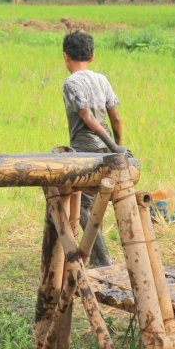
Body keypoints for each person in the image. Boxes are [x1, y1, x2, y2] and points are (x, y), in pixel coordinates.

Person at [61, 29, 123, 267]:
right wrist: (116, 145)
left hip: (84, 148)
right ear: (92, 56)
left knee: (83, 206)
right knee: (94, 202)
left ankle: (101, 259)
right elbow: (115, 118)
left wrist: (113, 147)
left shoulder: (71, 82)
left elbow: (87, 118)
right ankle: (88, 252)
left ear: (66, 57)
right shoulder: (102, 79)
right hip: (105, 149)